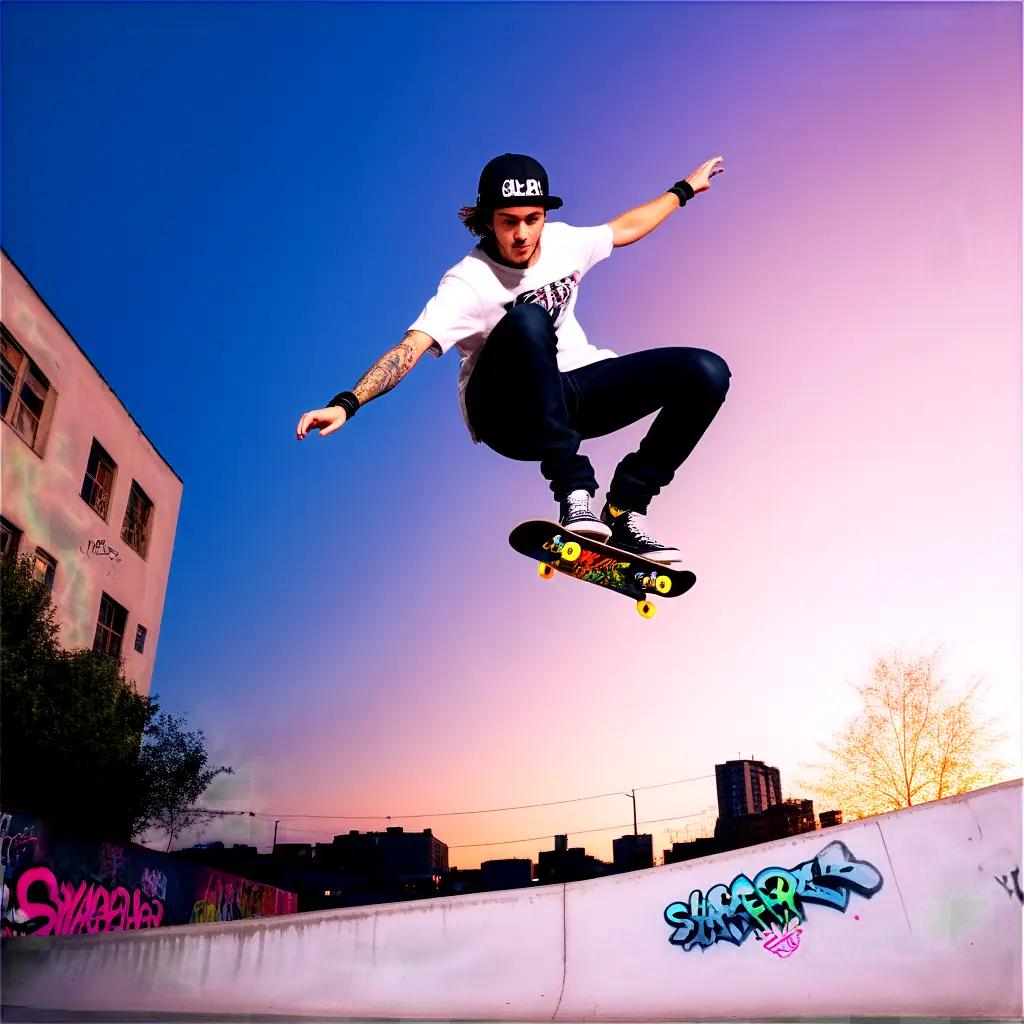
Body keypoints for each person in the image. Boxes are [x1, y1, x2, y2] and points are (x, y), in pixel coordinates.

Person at [296, 153, 730, 563]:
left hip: (571, 393)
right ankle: (574, 493)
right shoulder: (468, 282)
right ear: (487, 222)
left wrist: (685, 189)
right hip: (507, 417)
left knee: (706, 372)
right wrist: (346, 403)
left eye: (532, 220)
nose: (522, 234)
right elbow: (410, 348)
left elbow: (624, 228)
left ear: (544, 216)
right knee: (527, 320)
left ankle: (623, 510)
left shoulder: (563, 241)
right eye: (508, 223)